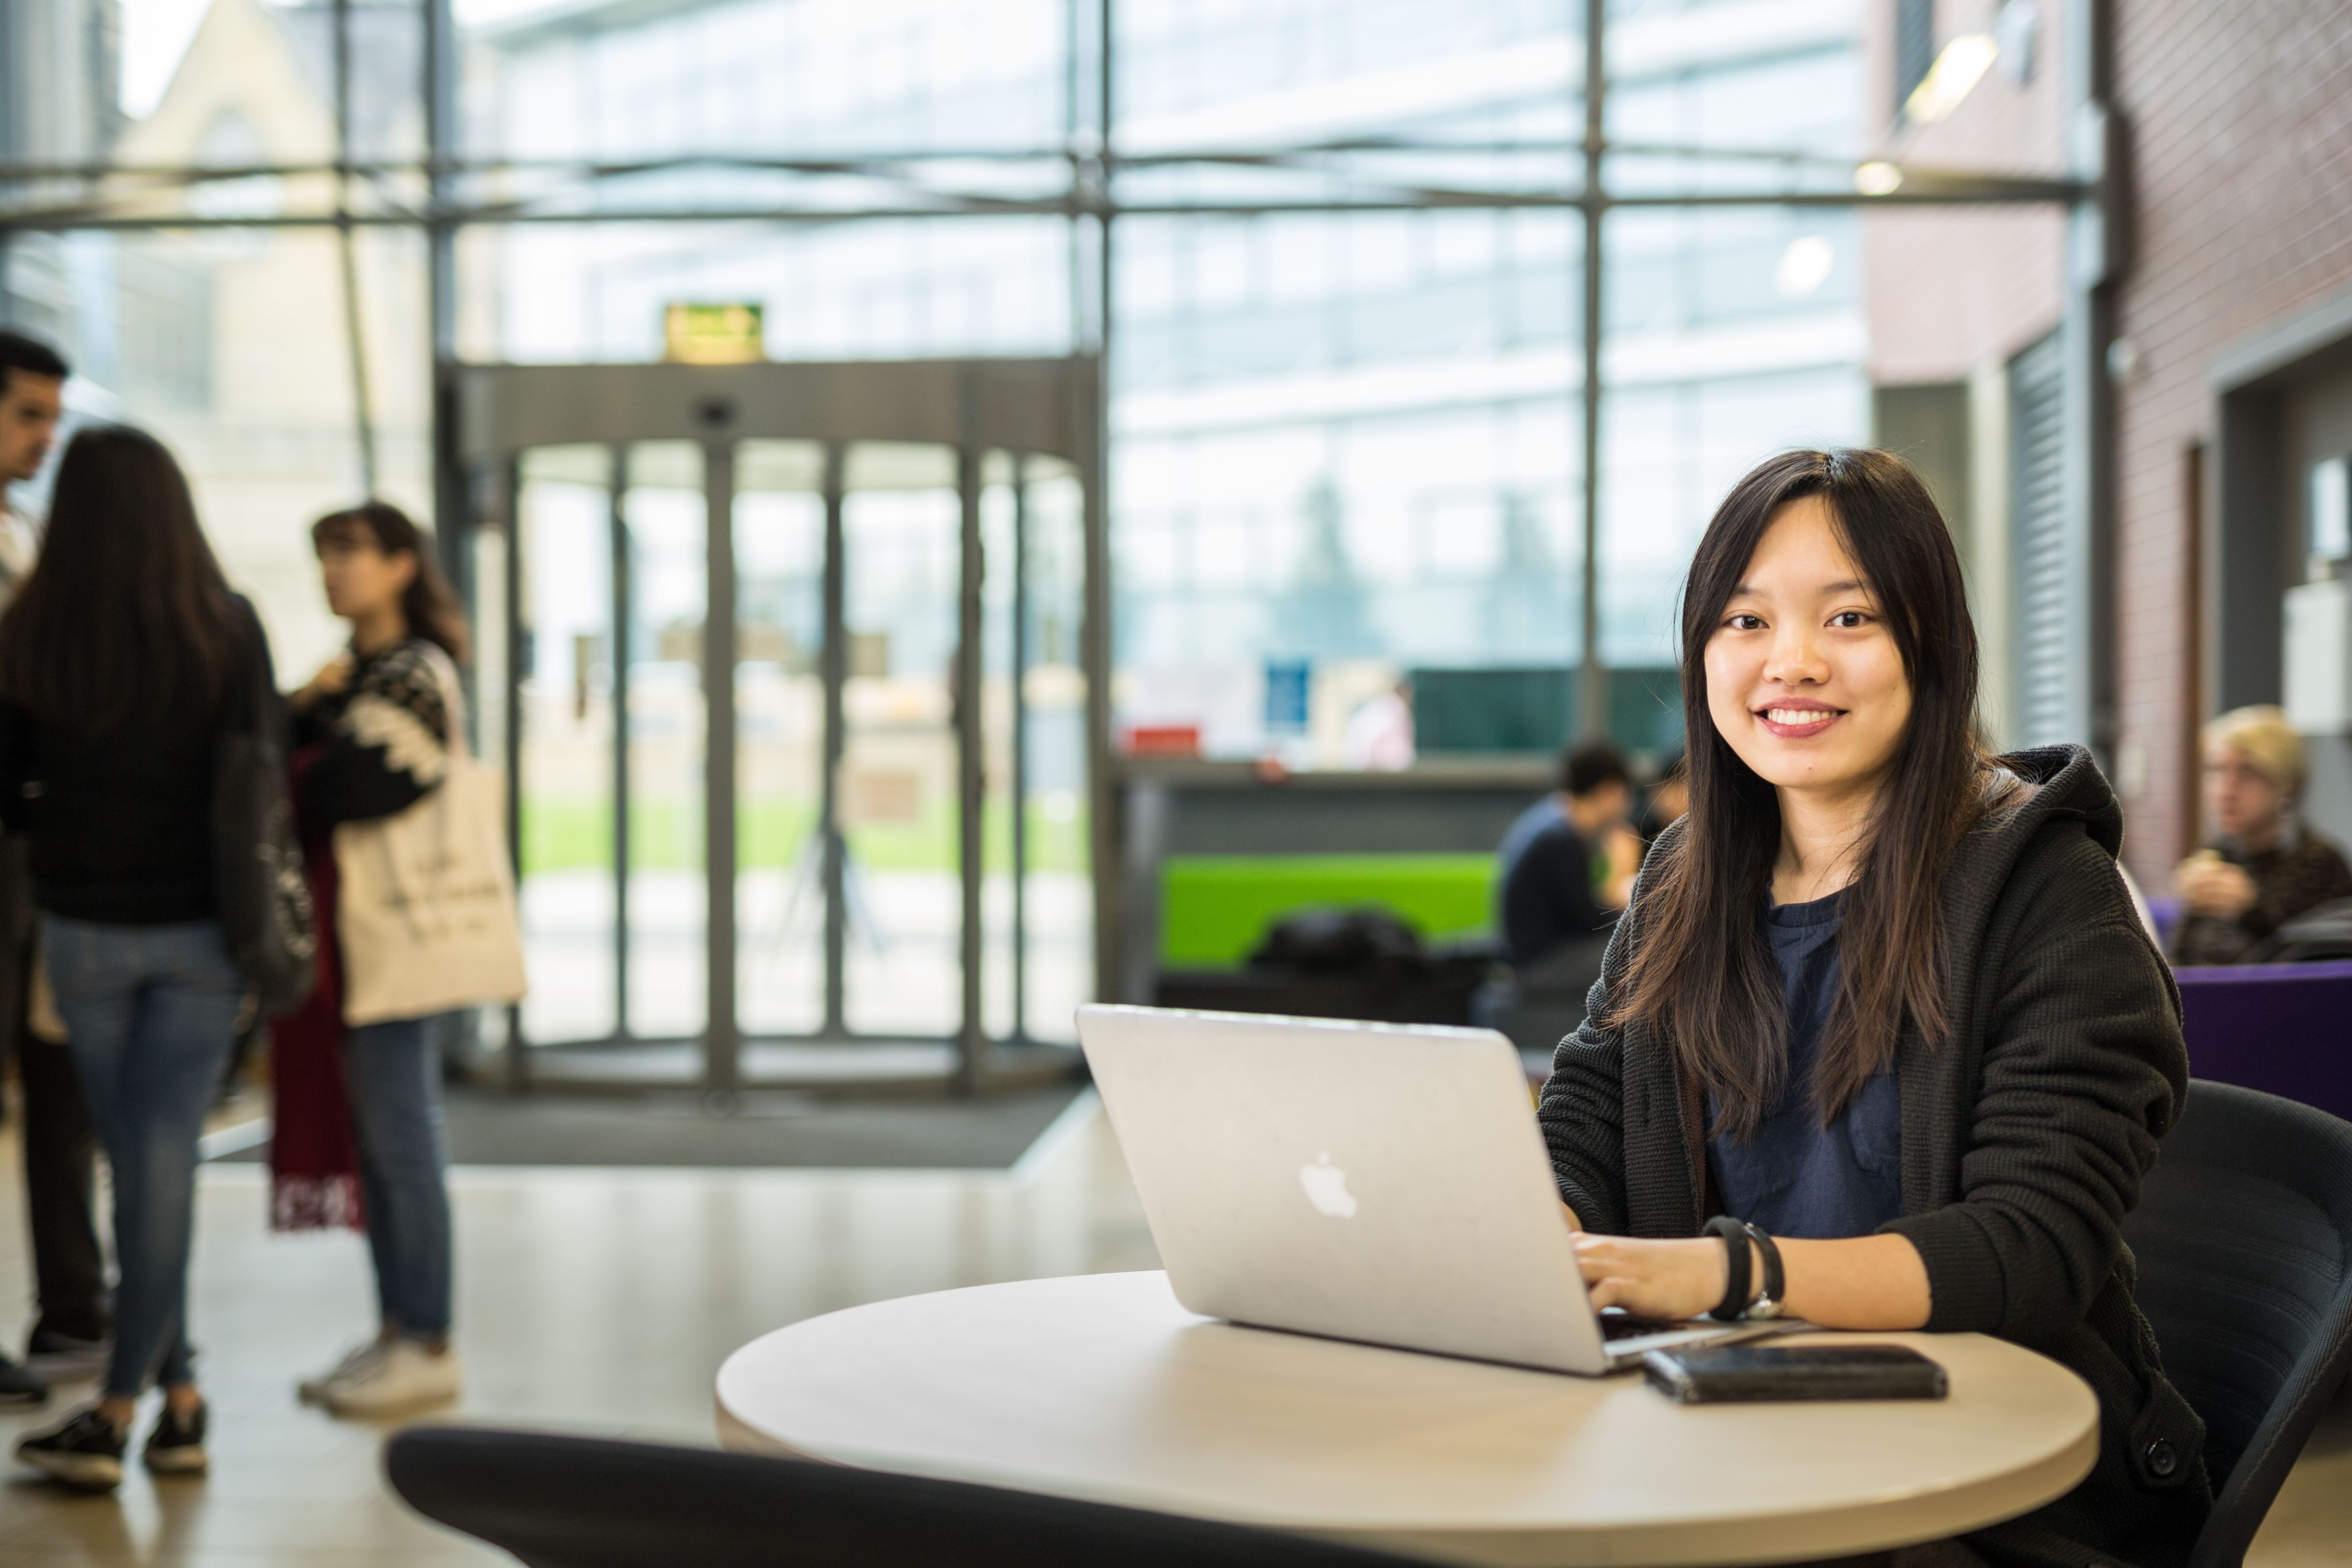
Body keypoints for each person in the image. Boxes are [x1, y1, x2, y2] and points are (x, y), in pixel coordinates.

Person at [1539, 448, 2208, 1568]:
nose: (1788, 662)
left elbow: (2027, 1247)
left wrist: (1724, 1273)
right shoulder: (1680, 878)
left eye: (1846, 618)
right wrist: (1549, 1233)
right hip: (1714, 1451)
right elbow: (1587, 1110)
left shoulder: (2048, 894)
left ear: (1928, 645)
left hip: (1988, 1492)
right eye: (1743, 622)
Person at [0, 425, 277, 1489]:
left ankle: (123, 1407)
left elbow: (9, 787)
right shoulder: (227, 626)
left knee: (141, 1161)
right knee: (157, 1164)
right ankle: (180, 1397)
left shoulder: (35, 629)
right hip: (206, 932)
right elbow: (260, 775)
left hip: (81, 932)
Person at [274, 500, 466, 1417]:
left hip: (394, 938)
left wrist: (307, 735)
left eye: (349, 553)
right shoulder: (352, 675)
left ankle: (427, 1334)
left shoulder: (415, 674)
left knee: (401, 1137)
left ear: (401, 565)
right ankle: (398, 1326)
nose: (333, 573)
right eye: (323, 556)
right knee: (381, 1141)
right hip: (355, 943)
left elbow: (345, 788)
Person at [0, 332, 110, 1408]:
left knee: (61, 1081)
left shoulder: (23, 532)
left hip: (37, 855)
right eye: (29, 413)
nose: (47, 437)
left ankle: (74, 1305)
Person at [2168, 705, 2352, 966]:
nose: (2226, 790)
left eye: (2247, 773)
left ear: (2288, 785)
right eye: (2216, 771)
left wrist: (2250, 908)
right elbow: (2179, 960)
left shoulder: (2321, 862)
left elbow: (2318, 960)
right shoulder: (2216, 856)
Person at [1497, 740, 1642, 973]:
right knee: (1638, 955)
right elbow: (1589, 923)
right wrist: (1621, 874)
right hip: (1539, 962)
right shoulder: (1560, 840)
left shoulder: (1551, 821)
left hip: (1533, 953)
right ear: (1609, 791)